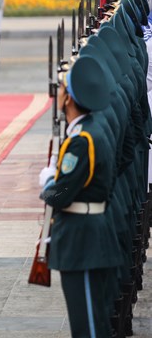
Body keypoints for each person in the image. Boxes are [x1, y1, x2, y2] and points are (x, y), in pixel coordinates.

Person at [38, 54, 122, 338]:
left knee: (87, 328)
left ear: (70, 99)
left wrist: (49, 182)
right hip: (91, 236)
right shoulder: (89, 130)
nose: (57, 92)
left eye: (62, 87)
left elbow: (60, 195)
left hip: (83, 242)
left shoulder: (82, 141)